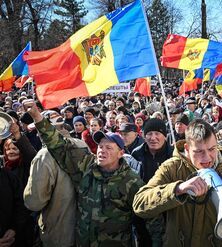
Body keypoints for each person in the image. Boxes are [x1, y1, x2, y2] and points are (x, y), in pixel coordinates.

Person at [23, 99, 145, 246]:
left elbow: (145, 221)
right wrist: (37, 117)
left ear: (120, 153)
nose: (102, 151)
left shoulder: (131, 181)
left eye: (109, 148)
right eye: (100, 147)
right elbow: (59, 145)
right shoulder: (87, 166)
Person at [133, 119, 222, 246]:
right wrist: (177, 189)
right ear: (187, 148)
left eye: (211, 149)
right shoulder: (172, 168)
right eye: (199, 151)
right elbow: (140, 204)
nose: (207, 158)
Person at [24, 119, 88, 247]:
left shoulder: (44, 155)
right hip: (85, 230)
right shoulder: (83, 145)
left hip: (59, 234)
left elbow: (34, 202)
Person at [131, 118, 173, 183]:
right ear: (144, 137)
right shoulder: (137, 153)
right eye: (150, 134)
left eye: (157, 133)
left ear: (165, 136)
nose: (153, 138)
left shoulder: (173, 155)